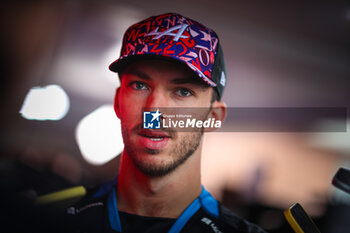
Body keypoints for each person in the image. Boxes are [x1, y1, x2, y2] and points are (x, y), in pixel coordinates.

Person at [65, 12, 267, 233]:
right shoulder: (48, 218)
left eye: (182, 91)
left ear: (213, 117)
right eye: (139, 86)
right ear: (117, 102)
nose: (154, 110)